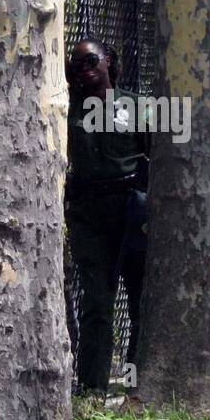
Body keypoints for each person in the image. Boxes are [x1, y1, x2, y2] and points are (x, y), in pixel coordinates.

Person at [65, 39, 150, 393]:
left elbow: (156, 157)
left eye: (91, 60)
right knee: (97, 304)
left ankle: (134, 385)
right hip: (88, 215)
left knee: (140, 302)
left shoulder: (137, 106)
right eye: (76, 64)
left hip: (131, 212)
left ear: (108, 61)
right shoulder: (67, 108)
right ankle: (92, 387)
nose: (85, 68)